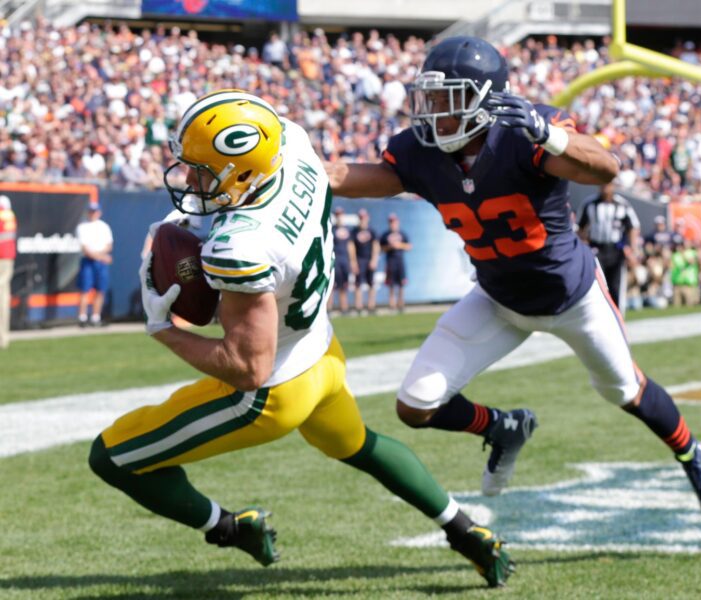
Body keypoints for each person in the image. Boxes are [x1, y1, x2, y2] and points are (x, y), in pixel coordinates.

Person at [87, 90, 513, 587]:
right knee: (364, 447)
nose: (189, 179)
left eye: (201, 171)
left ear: (242, 172)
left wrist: (165, 330)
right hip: (322, 351)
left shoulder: (240, 247)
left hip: (270, 394)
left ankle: (230, 527)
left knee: (113, 457)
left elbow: (249, 367)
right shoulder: (290, 143)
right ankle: (468, 534)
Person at [325, 36, 701, 534]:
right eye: (427, 100)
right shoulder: (421, 153)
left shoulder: (522, 134)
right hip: (498, 300)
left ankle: (694, 455)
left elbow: (606, 166)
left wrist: (549, 135)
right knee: (414, 405)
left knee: (625, 391)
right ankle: (503, 428)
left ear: (485, 100)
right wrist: (285, 168)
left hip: (573, 298)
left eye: (445, 100)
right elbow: (346, 175)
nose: (432, 114)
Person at [578, 180, 641, 314]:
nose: (604, 187)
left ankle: (617, 316)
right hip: (596, 249)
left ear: (613, 186)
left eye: (608, 184)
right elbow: (580, 228)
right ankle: (598, 315)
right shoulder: (590, 204)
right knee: (598, 285)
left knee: (616, 285)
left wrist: (632, 249)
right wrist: (583, 247)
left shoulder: (622, 204)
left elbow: (633, 227)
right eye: (602, 183)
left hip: (616, 249)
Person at [75, 202, 113, 327]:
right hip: (88, 261)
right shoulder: (82, 227)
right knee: (85, 289)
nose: (93, 214)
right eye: (91, 211)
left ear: (99, 213)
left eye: (95, 211)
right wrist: (102, 257)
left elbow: (109, 245)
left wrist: (101, 256)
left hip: (100, 263)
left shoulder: (104, 227)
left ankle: (96, 317)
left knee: (100, 290)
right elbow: (86, 249)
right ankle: (82, 317)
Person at [380, 213, 412, 312]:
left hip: (400, 261)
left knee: (401, 284)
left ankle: (401, 304)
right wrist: (390, 246)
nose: (392, 224)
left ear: (397, 222)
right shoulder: (385, 235)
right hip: (390, 261)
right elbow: (381, 248)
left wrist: (399, 245)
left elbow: (409, 246)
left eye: (394, 222)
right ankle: (392, 305)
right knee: (391, 285)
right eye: (391, 222)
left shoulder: (402, 234)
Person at [350, 208, 380, 315]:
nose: (362, 220)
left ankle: (371, 306)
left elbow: (376, 246)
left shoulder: (372, 231)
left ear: (368, 218)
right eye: (361, 218)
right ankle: (359, 306)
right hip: (359, 259)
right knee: (358, 284)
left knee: (371, 283)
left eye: (364, 218)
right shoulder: (354, 231)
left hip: (369, 259)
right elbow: (351, 247)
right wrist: (353, 262)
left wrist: (374, 260)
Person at [327, 206, 353, 315]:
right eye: (337, 215)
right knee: (332, 286)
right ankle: (329, 309)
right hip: (335, 261)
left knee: (344, 286)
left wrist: (353, 261)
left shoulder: (347, 230)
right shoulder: (331, 229)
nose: (339, 217)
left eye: (340, 214)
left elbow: (351, 246)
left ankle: (344, 308)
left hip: (345, 261)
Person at [0, 195, 16, 349]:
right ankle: (4, 337)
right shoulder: (10, 215)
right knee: (4, 295)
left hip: (1, 257)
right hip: (8, 257)